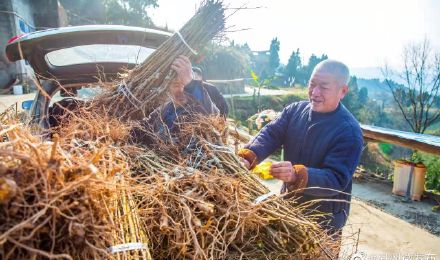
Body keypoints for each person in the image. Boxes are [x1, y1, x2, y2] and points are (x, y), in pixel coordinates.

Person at [238, 59, 363, 239]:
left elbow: (335, 179)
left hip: (323, 221)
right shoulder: (295, 111)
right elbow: (271, 133)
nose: (315, 92)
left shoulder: (349, 132)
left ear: (342, 91)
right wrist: (249, 156)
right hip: (289, 207)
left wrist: (297, 175)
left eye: (324, 87)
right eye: (312, 84)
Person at [131, 55, 220, 144]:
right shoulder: (164, 109)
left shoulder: (200, 108)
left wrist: (189, 81)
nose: (181, 90)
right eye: (176, 85)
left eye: (185, 85)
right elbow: (144, 127)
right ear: (169, 88)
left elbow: (209, 113)